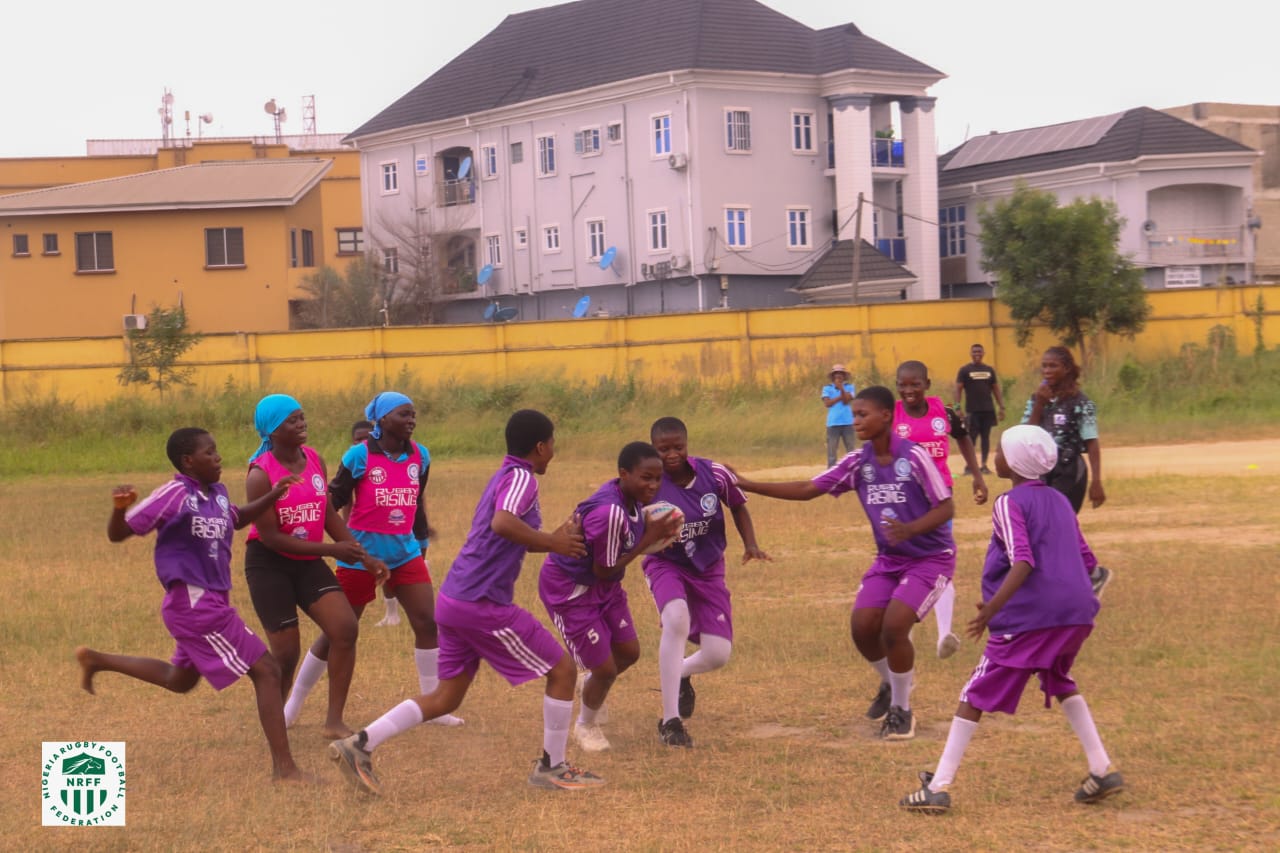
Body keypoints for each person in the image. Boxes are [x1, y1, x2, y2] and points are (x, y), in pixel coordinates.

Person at [330, 410, 605, 794]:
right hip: (481, 602)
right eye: (552, 445)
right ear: (541, 446)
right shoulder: (522, 477)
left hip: (455, 599)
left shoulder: (505, 476)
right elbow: (503, 524)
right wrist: (552, 542)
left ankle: (358, 744)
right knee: (562, 670)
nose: (553, 453)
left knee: (446, 697)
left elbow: (505, 531)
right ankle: (552, 767)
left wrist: (551, 539)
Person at [899, 425, 1123, 813]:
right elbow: (1088, 561)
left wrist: (990, 610)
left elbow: (1023, 560)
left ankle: (938, 786)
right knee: (1059, 678)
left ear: (1014, 463)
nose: (996, 458)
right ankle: (1101, 767)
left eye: (1001, 452)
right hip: (1076, 614)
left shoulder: (1009, 502)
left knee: (973, 693)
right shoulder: (1058, 500)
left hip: (1029, 617)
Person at [75, 427, 310, 782]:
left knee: (180, 680)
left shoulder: (215, 493)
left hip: (209, 600)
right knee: (267, 670)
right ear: (188, 461)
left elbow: (236, 518)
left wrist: (273, 495)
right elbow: (119, 533)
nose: (218, 457)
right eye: (210, 453)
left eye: (217, 451)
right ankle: (285, 768)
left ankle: (97, 660)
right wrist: (118, 510)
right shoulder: (174, 494)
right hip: (195, 603)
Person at [735, 386, 954, 741]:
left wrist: (910, 528)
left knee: (894, 626)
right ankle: (890, 682)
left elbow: (947, 507)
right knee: (862, 626)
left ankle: (902, 711)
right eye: (854, 415)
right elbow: (809, 488)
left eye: (862, 414)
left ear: (886, 416)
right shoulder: (858, 462)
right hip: (889, 559)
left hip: (931, 558)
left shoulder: (913, 457)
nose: (856, 421)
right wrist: (749, 484)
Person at [286, 392, 462, 728]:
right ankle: (294, 702)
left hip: (405, 553)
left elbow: (416, 504)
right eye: (403, 414)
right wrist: (313, 536)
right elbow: (333, 499)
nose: (411, 420)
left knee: (427, 622)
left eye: (414, 414)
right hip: (360, 558)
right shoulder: (359, 455)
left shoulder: (420, 456)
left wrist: (421, 545)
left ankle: (433, 706)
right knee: (337, 632)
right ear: (381, 419)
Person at [243, 395, 384, 739]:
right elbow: (272, 538)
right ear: (273, 431)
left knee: (345, 628)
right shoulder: (260, 474)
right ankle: (275, 726)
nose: (301, 424)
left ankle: (333, 722)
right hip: (269, 565)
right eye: (292, 420)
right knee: (286, 654)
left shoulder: (313, 459)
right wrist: (331, 549)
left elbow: (327, 514)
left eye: (302, 417)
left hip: (307, 561)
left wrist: (363, 555)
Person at [538, 441, 680, 752]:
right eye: (646, 478)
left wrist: (656, 536)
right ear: (623, 474)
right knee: (605, 670)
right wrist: (649, 540)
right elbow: (604, 569)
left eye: (658, 479)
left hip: (606, 586)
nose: (653, 486)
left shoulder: (629, 500)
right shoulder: (610, 512)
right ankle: (585, 726)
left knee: (628, 652)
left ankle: (589, 684)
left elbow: (612, 564)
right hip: (571, 590)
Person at [644, 417, 770, 748]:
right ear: (653, 450)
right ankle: (670, 721)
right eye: (663, 449)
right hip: (666, 564)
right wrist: (650, 539)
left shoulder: (714, 474)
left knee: (718, 654)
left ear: (687, 444)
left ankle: (681, 673)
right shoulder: (649, 483)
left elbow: (739, 507)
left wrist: (751, 544)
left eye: (678, 447)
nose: (671, 455)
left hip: (708, 566)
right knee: (676, 620)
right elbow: (631, 523)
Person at [894, 360, 987, 660]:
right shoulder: (890, 415)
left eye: (915, 384)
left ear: (927, 384)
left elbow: (963, 438)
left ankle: (944, 634)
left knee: (940, 564)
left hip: (939, 502)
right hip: (903, 502)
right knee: (904, 565)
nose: (909, 391)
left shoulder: (943, 412)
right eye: (903, 385)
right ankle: (902, 632)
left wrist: (977, 476)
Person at [1021, 346, 1112, 597]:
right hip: (1042, 473)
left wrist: (1097, 481)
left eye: (1053, 366)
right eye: (1044, 366)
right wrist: (1039, 403)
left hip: (1070, 472)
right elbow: (1025, 434)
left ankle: (1080, 578)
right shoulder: (1037, 398)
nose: (1047, 371)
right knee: (1045, 527)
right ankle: (1088, 575)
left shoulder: (1081, 403)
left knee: (1057, 525)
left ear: (1067, 369)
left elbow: (1092, 443)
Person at [345, 418, 400, 628]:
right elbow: (345, 500)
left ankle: (392, 613)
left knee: (390, 570)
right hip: (361, 531)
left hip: (388, 527)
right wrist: (347, 530)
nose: (361, 443)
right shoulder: (353, 461)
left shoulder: (387, 461)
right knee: (364, 573)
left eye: (366, 439)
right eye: (357, 440)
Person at [954, 344, 1006, 474]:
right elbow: (958, 389)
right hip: (972, 411)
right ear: (971, 354)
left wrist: (1001, 407)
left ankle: (984, 465)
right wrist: (957, 407)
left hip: (988, 410)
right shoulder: (965, 370)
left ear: (983, 353)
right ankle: (970, 466)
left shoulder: (989, 370)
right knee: (971, 439)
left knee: (986, 438)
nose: (977, 353)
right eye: (974, 351)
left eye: (979, 351)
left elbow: (995, 389)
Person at [822, 363, 857, 466]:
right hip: (833, 423)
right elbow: (827, 403)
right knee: (832, 452)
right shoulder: (827, 388)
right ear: (832, 376)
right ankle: (831, 473)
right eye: (836, 374)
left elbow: (846, 401)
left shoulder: (850, 387)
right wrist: (841, 395)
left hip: (848, 422)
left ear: (844, 376)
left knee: (851, 450)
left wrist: (841, 389)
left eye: (841, 373)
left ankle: (853, 470)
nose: (838, 376)